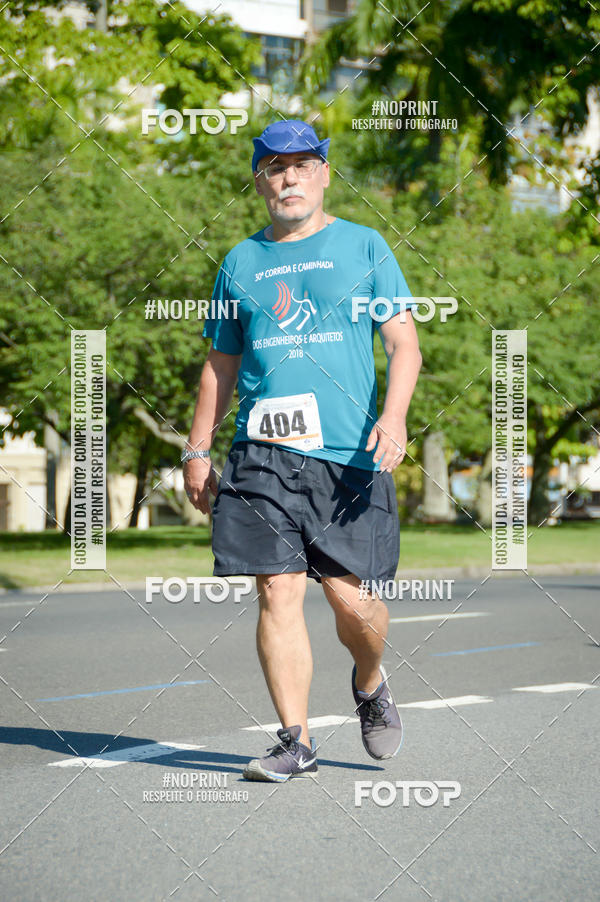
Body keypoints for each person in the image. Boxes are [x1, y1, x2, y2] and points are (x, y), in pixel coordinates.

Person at [183, 119, 422, 782]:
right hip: (260, 454)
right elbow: (219, 365)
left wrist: (396, 419)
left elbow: (405, 345)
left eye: (301, 165)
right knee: (277, 590)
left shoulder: (364, 246)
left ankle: (370, 680)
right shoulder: (240, 261)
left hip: (347, 456)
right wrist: (197, 450)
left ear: (323, 173)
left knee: (353, 604)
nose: (288, 177)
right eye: (274, 166)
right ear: (260, 178)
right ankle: (296, 740)